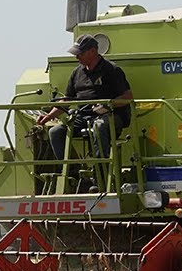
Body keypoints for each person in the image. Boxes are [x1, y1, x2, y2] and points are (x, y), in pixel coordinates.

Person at [36, 34, 133, 188]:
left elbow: (127, 97)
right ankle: (75, 175)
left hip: (111, 116)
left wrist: (109, 106)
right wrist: (47, 117)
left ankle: (100, 177)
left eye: (80, 53)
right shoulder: (77, 73)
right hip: (83, 116)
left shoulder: (112, 70)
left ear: (93, 51)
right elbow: (67, 100)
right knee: (56, 132)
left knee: (99, 126)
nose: (77, 57)